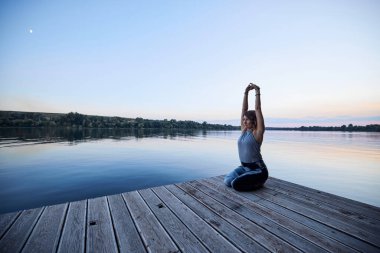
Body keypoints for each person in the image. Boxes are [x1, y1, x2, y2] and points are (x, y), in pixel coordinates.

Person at [224, 83, 268, 191]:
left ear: (254, 120)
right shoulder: (243, 130)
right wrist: (246, 92)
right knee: (227, 181)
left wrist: (257, 91)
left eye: (247, 119)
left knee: (236, 184)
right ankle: (251, 179)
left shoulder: (257, 133)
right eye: (243, 119)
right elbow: (244, 109)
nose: (244, 121)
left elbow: (257, 109)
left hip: (258, 170)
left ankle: (259, 181)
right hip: (244, 168)